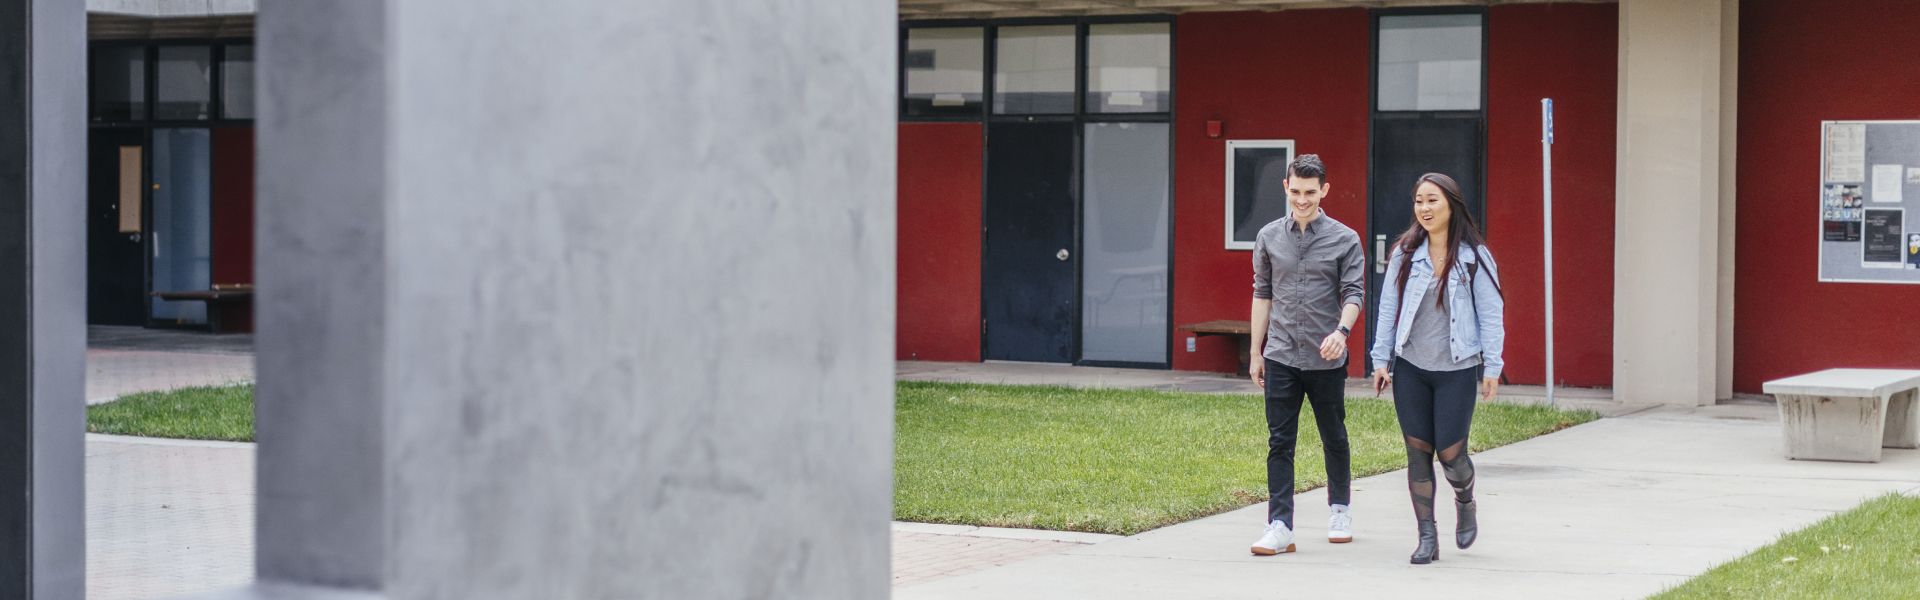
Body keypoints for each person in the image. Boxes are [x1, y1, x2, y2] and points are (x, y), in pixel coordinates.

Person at [1369, 173, 1505, 565]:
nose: (1424, 209)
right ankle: (1427, 536)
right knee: (1417, 454)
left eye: (1432, 201)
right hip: (1411, 366)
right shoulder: (1405, 253)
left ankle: (1465, 499)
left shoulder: (1474, 256)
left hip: (1457, 368)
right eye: (1418, 201)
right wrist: (1381, 359)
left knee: (1451, 455)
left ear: (1451, 205)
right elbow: (1389, 308)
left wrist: (1492, 366)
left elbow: (1491, 313)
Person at [1247, 154, 1365, 556]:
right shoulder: (1268, 237)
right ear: (1286, 187)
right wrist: (1254, 351)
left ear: (1324, 191)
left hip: (1325, 356)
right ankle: (1280, 526)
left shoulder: (1345, 238)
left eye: (1310, 193)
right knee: (1280, 441)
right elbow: (1262, 294)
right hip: (1280, 354)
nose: (1302, 199)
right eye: (1295, 191)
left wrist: (1342, 331)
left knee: (1334, 435)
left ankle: (1340, 509)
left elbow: (1354, 293)